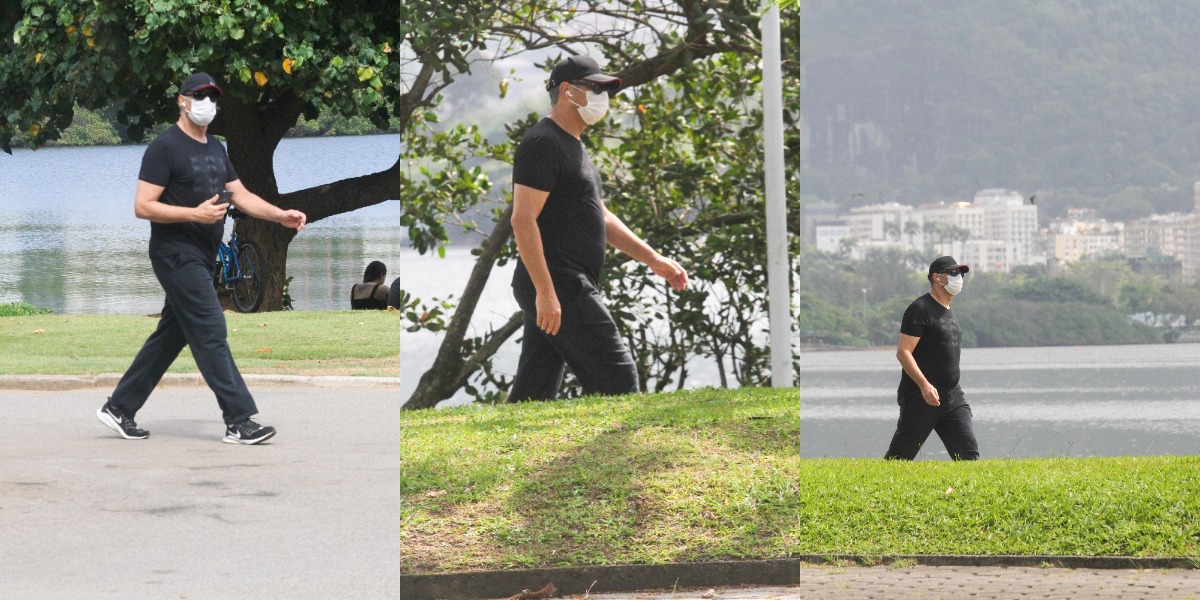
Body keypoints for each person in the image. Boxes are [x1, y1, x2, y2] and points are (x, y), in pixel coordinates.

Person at [96, 72, 307, 444]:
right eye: (200, 95)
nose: (208, 102)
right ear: (182, 100)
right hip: (175, 254)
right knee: (211, 329)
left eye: (213, 97)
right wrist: (194, 214)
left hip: (202, 255)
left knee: (171, 335)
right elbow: (143, 206)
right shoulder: (165, 147)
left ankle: (119, 407)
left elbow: (240, 195)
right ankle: (239, 420)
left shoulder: (215, 149)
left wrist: (280, 215)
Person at [508, 55, 688, 401]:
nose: (603, 96)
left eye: (606, 89)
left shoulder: (572, 145)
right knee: (618, 379)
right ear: (567, 91)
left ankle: (505, 452)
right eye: (595, 88)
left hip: (562, 281)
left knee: (534, 389)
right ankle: (622, 452)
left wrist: (654, 259)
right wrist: (546, 293)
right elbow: (522, 219)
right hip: (559, 281)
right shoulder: (542, 143)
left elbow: (599, 215)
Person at [884, 256, 980, 461]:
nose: (959, 278)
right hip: (921, 397)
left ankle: (967, 493)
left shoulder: (948, 309)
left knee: (969, 455)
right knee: (899, 458)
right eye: (953, 273)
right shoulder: (920, 309)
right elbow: (903, 352)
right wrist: (925, 386)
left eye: (961, 274)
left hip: (953, 397)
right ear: (937, 278)